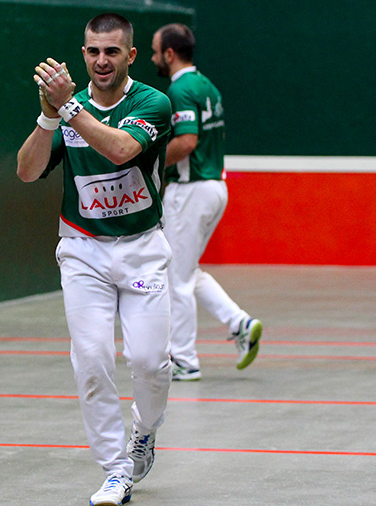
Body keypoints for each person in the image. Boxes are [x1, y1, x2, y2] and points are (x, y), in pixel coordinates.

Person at [17, 13, 173, 506]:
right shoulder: (68, 109)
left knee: (149, 363)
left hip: (142, 251)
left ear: (129, 55)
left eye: (111, 52)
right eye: (92, 51)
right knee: (91, 360)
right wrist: (47, 117)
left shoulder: (153, 103)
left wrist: (67, 108)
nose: (100, 60)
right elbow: (26, 172)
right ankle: (115, 470)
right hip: (83, 252)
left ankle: (144, 432)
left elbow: (122, 151)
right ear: (82, 54)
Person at [150, 23, 262, 382]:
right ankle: (239, 323)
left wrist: (146, 160)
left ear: (169, 54)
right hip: (215, 187)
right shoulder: (207, 86)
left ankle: (184, 359)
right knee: (187, 270)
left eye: (154, 51)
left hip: (191, 191)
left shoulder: (180, 90)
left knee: (175, 278)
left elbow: (186, 142)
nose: (152, 58)